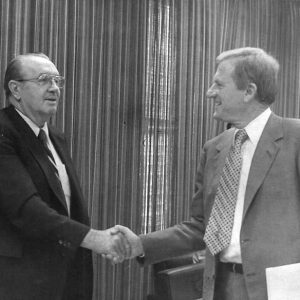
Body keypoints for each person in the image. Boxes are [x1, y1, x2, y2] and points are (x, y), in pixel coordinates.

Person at [114, 47, 300, 300]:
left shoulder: (295, 138)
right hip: (221, 287)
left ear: (249, 91)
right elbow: (203, 227)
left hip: (281, 291)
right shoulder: (215, 148)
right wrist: (140, 244)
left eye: (218, 84)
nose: (210, 92)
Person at [0, 53, 128, 300]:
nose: (55, 88)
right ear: (15, 89)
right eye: (44, 80)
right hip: (21, 280)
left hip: (67, 275)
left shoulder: (56, 138)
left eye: (58, 81)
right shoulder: (4, 132)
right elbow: (26, 209)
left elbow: (68, 206)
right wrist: (95, 239)